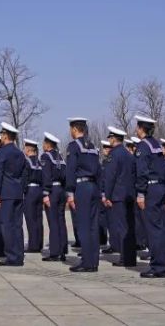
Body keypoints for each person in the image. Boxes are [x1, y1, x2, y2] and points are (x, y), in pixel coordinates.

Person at [134, 115, 165, 278]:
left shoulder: (143, 146)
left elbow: (141, 171)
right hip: (161, 187)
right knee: (162, 229)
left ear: (141, 129)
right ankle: (164, 263)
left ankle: (158, 266)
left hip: (151, 189)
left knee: (154, 230)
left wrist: (140, 193)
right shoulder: (157, 145)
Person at [65, 116, 101, 272]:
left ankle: (86, 262)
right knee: (93, 226)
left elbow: (71, 170)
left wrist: (70, 192)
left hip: (82, 187)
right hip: (93, 186)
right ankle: (93, 261)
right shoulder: (92, 146)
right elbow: (99, 170)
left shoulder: (73, 146)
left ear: (74, 129)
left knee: (84, 226)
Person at [0, 122, 28, 266]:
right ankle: (19, 255)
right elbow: (25, 173)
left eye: (2, 134)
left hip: (6, 193)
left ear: (6, 136)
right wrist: (22, 188)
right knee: (17, 225)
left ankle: (12, 257)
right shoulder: (20, 153)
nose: (0, 137)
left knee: (6, 225)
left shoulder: (2, 152)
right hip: (18, 193)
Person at [103, 126, 137, 267]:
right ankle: (131, 257)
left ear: (113, 138)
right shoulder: (129, 155)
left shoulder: (114, 154)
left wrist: (107, 195)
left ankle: (124, 258)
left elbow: (110, 177)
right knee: (130, 227)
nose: (109, 141)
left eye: (110, 138)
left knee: (121, 227)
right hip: (129, 194)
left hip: (118, 195)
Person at [40, 132, 68, 262]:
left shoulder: (46, 157)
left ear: (47, 144)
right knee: (61, 220)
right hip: (61, 189)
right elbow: (65, 175)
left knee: (53, 221)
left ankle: (55, 252)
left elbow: (46, 176)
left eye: (44, 143)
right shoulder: (60, 157)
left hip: (52, 190)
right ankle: (63, 250)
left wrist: (45, 193)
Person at [22, 139, 44, 254]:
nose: (24, 150)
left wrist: (23, 191)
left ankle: (33, 246)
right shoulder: (40, 163)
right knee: (38, 218)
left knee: (31, 219)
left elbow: (24, 179)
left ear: (29, 149)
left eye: (25, 148)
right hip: (39, 190)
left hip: (30, 191)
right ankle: (39, 243)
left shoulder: (27, 162)